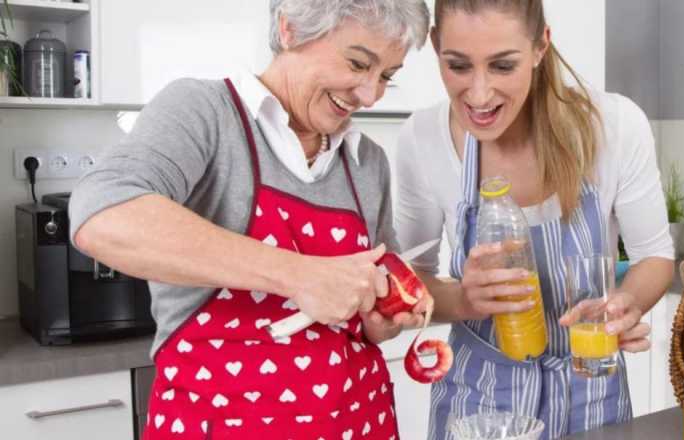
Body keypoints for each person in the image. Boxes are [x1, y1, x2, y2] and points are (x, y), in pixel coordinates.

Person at [69, 1, 429, 438]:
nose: (371, 95)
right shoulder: (204, 112)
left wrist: (380, 320)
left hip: (360, 422)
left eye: (387, 76)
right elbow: (103, 213)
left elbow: (370, 315)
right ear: (291, 28)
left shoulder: (367, 161)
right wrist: (299, 275)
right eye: (358, 63)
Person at [393, 0, 675, 438]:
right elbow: (410, 282)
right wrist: (463, 300)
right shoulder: (422, 138)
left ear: (541, 46)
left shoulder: (613, 126)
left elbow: (654, 255)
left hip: (592, 400)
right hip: (478, 410)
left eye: (503, 66)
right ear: (435, 46)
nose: (480, 94)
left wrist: (626, 304)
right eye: (458, 66)